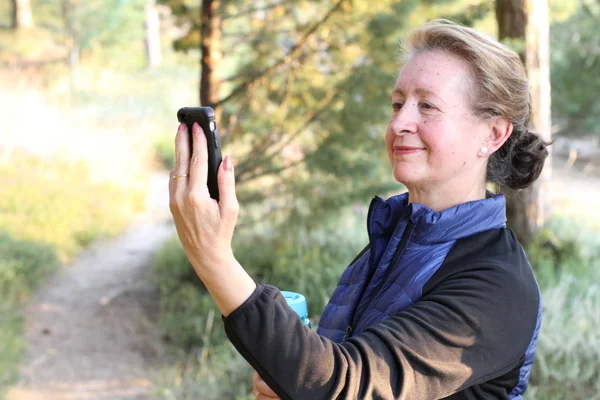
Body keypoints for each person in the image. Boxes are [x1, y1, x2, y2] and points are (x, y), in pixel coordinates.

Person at [168, 19, 548, 400]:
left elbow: (343, 384)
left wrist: (214, 259)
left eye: (427, 106)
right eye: (398, 104)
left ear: (494, 134)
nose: (400, 122)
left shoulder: (498, 287)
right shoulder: (391, 240)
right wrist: (289, 379)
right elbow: (336, 371)